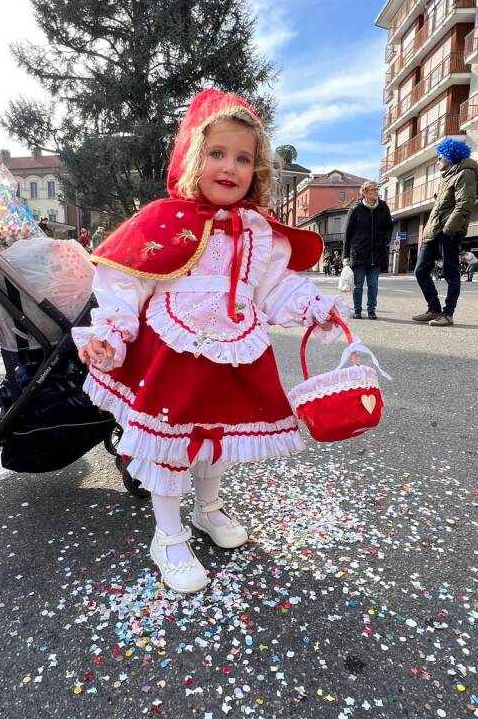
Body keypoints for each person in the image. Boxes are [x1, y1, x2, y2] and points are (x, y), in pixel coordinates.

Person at [73, 89, 343, 594]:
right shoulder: (165, 218)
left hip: (235, 348)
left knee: (215, 437)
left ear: (257, 171)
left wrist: (311, 305)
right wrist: (113, 328)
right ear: (194, 159)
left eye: (243, 158)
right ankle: (168, 534)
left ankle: (208, 509)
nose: (229, 167)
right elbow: (127, 280)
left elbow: (273, 286)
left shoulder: (260, 232)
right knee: (172, 445)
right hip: (174, 352)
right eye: (217, 153)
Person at [413, 138, 478, 327]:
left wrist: (448, 230)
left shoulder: (465, 174)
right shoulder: (447, 176)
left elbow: (464, 205)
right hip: (434, 231)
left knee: (451, 273)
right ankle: (434, 308)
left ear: (451, 156)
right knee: (420, 271)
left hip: (449, 232)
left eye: (440, 157)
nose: (437, 161)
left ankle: (448, 314)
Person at [342, 180, 393, 320]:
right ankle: (357, 310)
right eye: (373, 190)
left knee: (373, 284)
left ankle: (371, 310)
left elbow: (389, 227)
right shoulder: (355, 210)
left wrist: (386, 240)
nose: (377, 192)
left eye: (377, 189)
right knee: (358, 284)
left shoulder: (383, 208)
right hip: (358, 254)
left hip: (376, 253)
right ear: (364, 193)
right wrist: (346, 255)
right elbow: (348, 233)